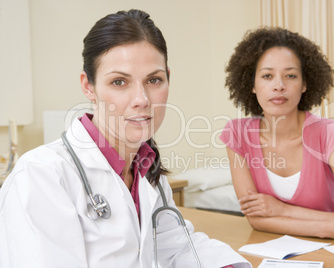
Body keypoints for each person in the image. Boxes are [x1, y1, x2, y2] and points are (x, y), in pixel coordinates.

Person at [0, 9, 251, 268]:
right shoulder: (41, 176)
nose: (142, 99)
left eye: (154, 80)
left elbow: (175, 248)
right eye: (119, 82)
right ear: (89, 86)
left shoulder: (148, 171)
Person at [220, 27, 334, 242]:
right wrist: (332, 226)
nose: (279, 86)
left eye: (291, 76)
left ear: (304, 84)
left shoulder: (327, 134)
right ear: (252, 85)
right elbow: (257, 220)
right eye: (267, 76)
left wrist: (280, 210)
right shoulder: (237, 134)